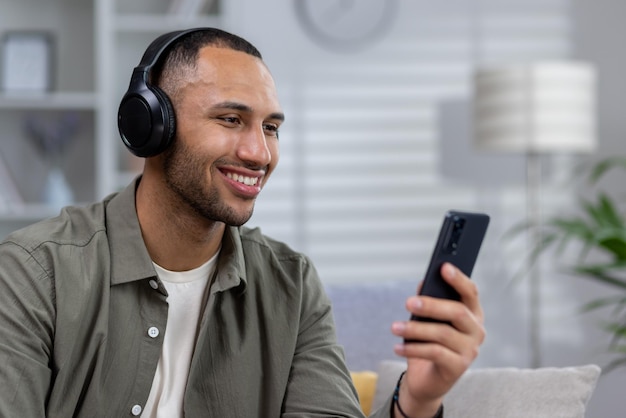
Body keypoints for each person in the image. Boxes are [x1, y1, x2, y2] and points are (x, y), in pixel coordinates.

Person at [0, 27, 485, 417]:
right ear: (150, 126)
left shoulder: (291, 285)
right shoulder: (32, 274)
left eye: (271, 128)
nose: (260, 153)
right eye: (231, 119)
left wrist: (417, 401)